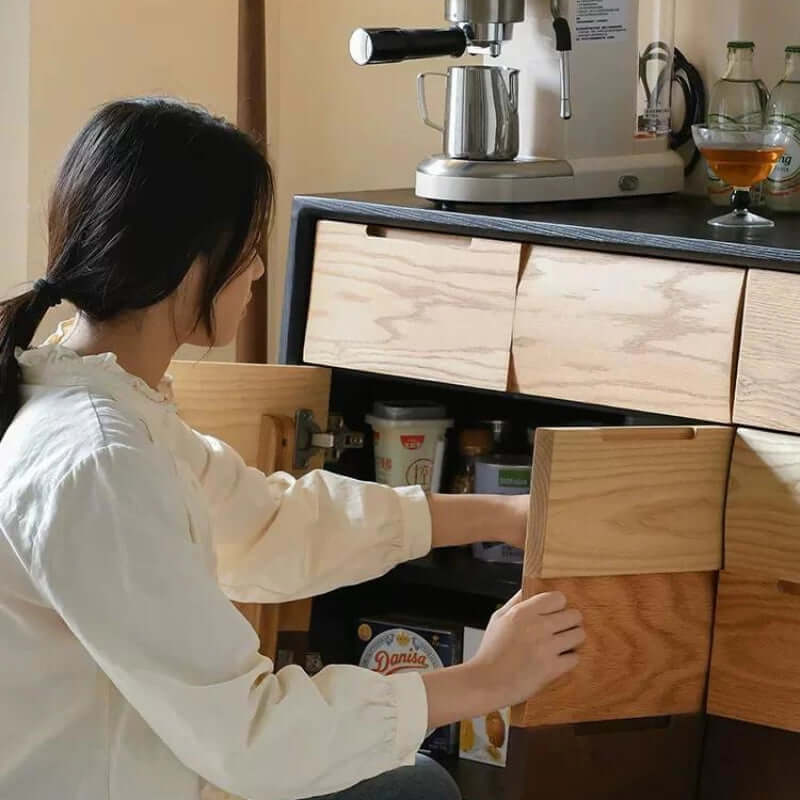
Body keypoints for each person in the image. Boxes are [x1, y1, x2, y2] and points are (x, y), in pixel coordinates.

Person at [0, 98, 585, 800]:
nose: (255, 272)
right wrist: (483, 680)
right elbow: (249, 735)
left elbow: (268, 524)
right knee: (416, 790)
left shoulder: (94, 400)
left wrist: (497, 513)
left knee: (410, 782)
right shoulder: (99, 458)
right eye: (247, 248)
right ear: (192, 266)